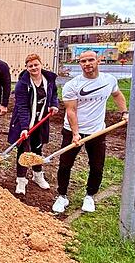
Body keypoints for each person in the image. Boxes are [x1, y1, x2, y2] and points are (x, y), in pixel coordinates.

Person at [52, 50, 128, 214]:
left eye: (90, 60)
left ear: (98, 60)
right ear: (79, 64)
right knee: (65, 165)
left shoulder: (109, 80)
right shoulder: (72, 85)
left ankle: (90, 196)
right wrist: (75, 133)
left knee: (97, 166)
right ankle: (62, 196)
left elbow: (117, 94)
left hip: (97, 131)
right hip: (72, 131)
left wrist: (124, 112)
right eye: (83, 61)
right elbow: (71, 111)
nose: (87, 64)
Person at [7, 53, 59, 195]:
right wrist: (24, 128)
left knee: (37, 148)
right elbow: (22, 107)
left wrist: (54, 104)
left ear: (41, 64)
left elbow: (54, 94)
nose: (34, 67)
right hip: (24, 121)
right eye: (30, 66)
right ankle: (21, 180)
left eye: (36, 64)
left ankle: (38, 176)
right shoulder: (22, 85)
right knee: (24, 150)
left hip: (41, 121)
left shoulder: (49, 80)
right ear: (27, 68)